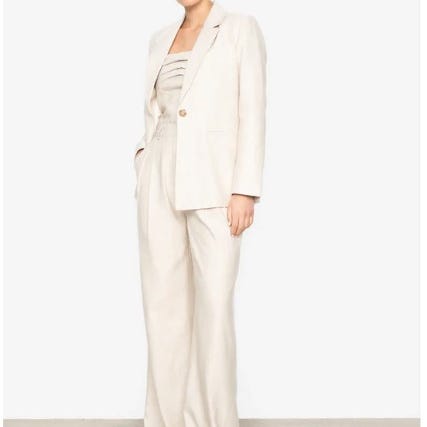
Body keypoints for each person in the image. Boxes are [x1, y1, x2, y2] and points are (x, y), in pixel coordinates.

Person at [134, 1, 266, 426]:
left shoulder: (240, 29)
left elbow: (252, 110)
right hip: (159, 175)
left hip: (214, 180)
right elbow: (156, 111)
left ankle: (213, 419)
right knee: (163, 305)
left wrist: (244, 188)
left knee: (214, 307)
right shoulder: (160, 38)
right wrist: (142, 159)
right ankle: (166, 419)